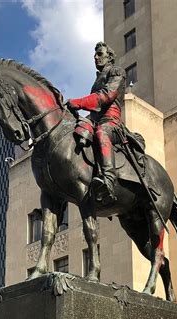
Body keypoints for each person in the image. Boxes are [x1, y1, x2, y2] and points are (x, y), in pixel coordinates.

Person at [66, 42, 126, 203]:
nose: (96, 57)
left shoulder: (117, 72)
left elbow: (106, 96)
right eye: (95, 55)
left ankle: (109, 180)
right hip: (95, 120)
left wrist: (78, 102)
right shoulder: (97, 79)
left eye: (100, 54)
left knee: (101, 132)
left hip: (110, 121)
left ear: (110, 57)